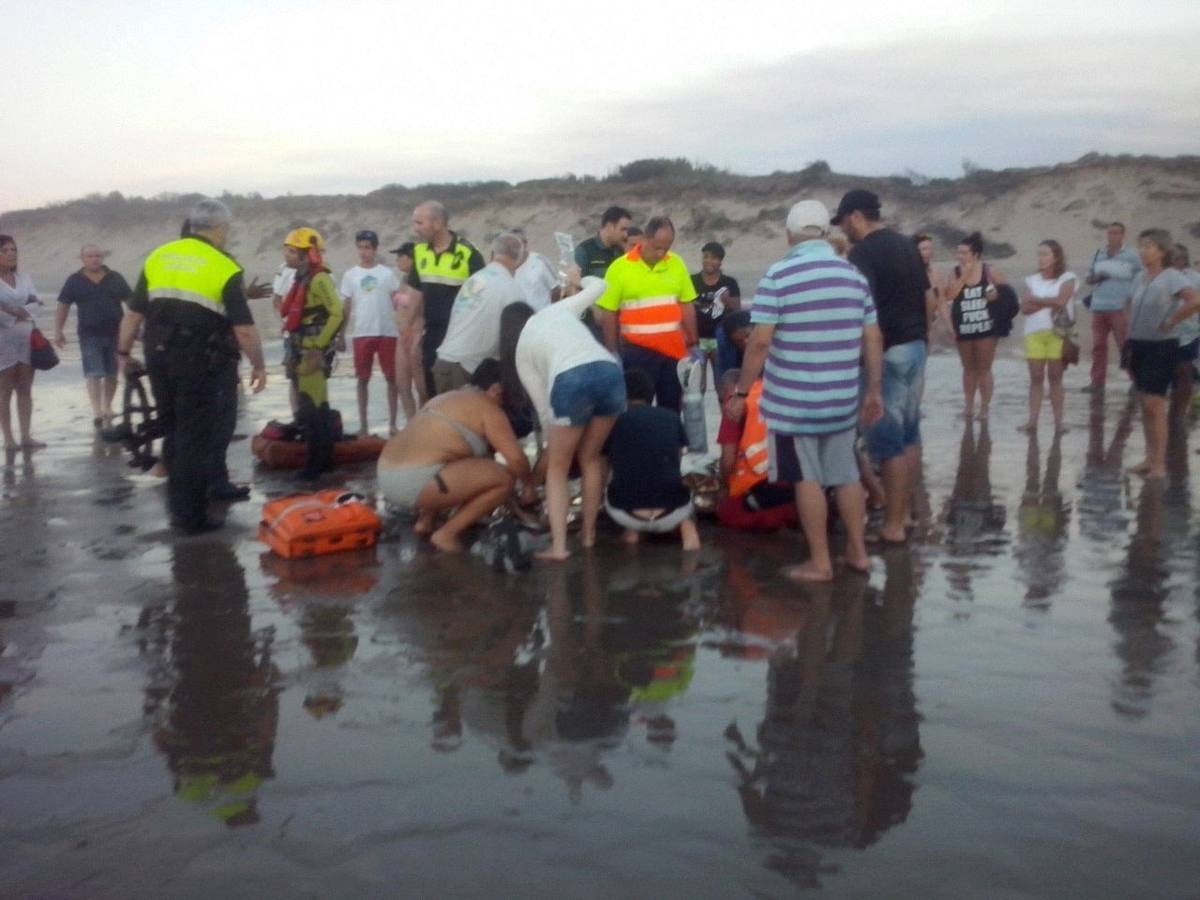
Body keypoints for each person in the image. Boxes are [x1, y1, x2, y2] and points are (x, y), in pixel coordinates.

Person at [729, 200, 883, 581]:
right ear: (826, 233)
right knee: (846, 475)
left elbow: (760, 342)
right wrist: (874, 390)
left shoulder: (779, 276)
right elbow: (873, 336)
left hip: (794, 403)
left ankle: (820, 562)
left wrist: (741, 392)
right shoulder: (853, 275)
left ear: (789, 234)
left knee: (808, 478)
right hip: (842, 398)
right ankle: (858, 553)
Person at [116, 199, 268, 534]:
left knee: (172, 428)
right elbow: (243, 329)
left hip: (158, 353)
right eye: (226, 230)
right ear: (219, 229)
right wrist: (259, 365)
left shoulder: (159, 256)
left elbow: (133, 314)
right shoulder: (223, 266)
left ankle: (178, 505)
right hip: (197, 360)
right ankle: (191, 516)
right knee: (195, 436)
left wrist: (123, 353)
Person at [833, 189, 933, 545]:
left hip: (888, 350)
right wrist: (922, 337)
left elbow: (863, 309)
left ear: (856, 216)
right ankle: (903, 514)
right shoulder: (907, 244)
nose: (844, 230)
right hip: (916, 345)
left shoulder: (863, 253)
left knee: (886, 439)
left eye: (844, 223)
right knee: (909, 434)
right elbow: (928, 298)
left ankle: (892, 526)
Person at [506, 275, 625, 560]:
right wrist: (578, 277)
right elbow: (600, 287)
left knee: (558, 468)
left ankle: (559, 547)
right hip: (609, 371)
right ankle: (588, 537)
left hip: (571, 378)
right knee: (591, 458)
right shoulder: (559, 309)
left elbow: (544, 408)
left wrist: (552, 445)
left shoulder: (522, 349)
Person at [377, 359, 535, 552]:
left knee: (450, 458)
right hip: (416, 481)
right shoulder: (488, 408)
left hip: (386, 475)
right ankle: (446, 534)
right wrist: (528, 486)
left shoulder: (446, 398)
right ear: (496, 390)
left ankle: (425, 521)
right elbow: (516, 458)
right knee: (504, 479)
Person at [596, 216, 699, 411]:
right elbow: (608, 313)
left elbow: (686, 305)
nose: (661, 253)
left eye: (666, 248)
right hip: (637, 352)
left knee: (671, 410)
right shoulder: (619, 268)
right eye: (657, 247)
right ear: (645, 239)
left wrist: (694, 344)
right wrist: (612, 353)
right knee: (637, 408)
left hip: (674, 353)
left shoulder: (677, 264)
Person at [1126, 229, 1200, 480]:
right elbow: (1131, 306)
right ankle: (1149, 457)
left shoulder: (1171, 277)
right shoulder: (1139, 277)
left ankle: (1160, 464)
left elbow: (1194, 301)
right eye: (1141, 245)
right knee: (1144, 403)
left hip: (1162, 345)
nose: (1143, 250)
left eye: (1149, 246)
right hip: (1138, 344)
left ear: (1162, 251)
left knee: (1155, 403)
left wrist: (1172, 320)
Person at [604, 369, 700, 550]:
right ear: (652, 394)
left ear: (622, 394)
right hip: (673, 513)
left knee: (619, 480)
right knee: (684, 491)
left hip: (624, 512)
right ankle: (687, 529)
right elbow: (676, 461)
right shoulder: (671, 417)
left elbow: (606, 465)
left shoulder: (614, 421)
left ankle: (632, 532)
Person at [279, 228, 345, 481]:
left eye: (292, 251)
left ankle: (316, 464)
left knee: (313, 407)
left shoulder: (319, 279)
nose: (287, 254)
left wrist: (319, 346)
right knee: (312, 405)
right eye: (287, 249)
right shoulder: (301, 277)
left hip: (311, 350)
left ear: (309, 254)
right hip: (300, 347)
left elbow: (337, 313)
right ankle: (322, 460)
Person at [407, 202, 485, 397]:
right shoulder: (419, 252)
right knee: (431, 392)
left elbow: (484, 299)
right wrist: (409, 331)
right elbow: (414, 296)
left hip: (462, 336)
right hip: (432, 335)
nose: (415, 228)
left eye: (419, 223)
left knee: (460, 395)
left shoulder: (468, 254)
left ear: (438, 223)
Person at [433, 233, 527, 394]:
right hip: (469, 369)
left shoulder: (474, 279)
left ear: (492, 253)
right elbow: (513, 339)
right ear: (520, 260)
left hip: (444, 362)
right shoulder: (512, 289)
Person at [53, 245, 131, 429]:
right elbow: (63, 306)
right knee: (94, 373)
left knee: (112, 372)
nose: (94, 259)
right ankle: (97, 411)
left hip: (116, 333)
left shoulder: (115, 277)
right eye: (90, 256)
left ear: (103, 257)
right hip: (89, 334)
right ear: (82, 258)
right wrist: (58, 330)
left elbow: (132, 302)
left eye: (98, 255)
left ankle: (108, 406)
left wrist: (138, 327)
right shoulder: (74, 280)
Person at [715, 369, 797, 531]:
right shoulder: (780, 394)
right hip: (799, 483)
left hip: (764, 487)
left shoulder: (734, 407)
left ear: (727, 391)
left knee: (726, 511)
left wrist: (723, 486)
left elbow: (728, 461)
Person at [340, 229, 401, 436]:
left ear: (375, 249)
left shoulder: (387, 274)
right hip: (361, 333)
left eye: (367, 247)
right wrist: (341, 334)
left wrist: (406, 328)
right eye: (360, 247)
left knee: (392, 378)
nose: (363, 252)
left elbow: (398, 303)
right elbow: (347, 305)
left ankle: (393, 423)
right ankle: (364, 425)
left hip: (387, 332)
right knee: (362, 379)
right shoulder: (351, 275)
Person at [944, 231, 1008, 419]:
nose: (960, 256)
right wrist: (963, 278)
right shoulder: (955, 272)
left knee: (985, 368)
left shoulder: (990, 271)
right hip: (963, 326)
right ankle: (969, 406)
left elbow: (1007, 295)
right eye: (958, 253)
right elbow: (949, 296)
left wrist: (997, 295)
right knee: (968, 369)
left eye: (964, 253)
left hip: (986, 327)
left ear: (976, 254)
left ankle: (985, 408)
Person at [1019, 240, 1077, 434]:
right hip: (1034, 332)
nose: (1041, 258)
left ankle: (1059, 422)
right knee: (1036, 377)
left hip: (1057, 332)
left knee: (1055, 377)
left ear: (1056, 256)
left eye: (1045, 254)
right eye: (1039, 254)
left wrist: (1036, 300)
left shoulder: (1068, 278)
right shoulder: (1031, 279)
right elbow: (1025, 309)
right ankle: (1032, 421)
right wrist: (1048, 303)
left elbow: (1062, 301)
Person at [1084, 222, 1142, 393]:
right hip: (1099, 305)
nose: (1112, 236)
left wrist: (1131, 299)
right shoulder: (1099, 254)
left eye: (1116, 233)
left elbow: (1140, 278)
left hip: (1120, 306)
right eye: (1110, 233)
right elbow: (1088, 278)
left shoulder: (1132, 256)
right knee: (1098, 346)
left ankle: (1136, 380)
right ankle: (1097, 382)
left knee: (1124, 345)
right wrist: (1097, 277)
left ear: (1123, 235)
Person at [0, 235, 43, 451]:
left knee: (25, 388)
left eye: (13, 250)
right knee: (4, 390)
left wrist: (15, 311)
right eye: (5, 250)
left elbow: (36, 302)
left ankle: (26, 435)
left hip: (26, 338)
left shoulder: (24, 277)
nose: (11, 254)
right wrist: (13, 314)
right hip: (2, 341)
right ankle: (8, 438)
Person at [690, 241, 741, 388]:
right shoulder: (692, 281)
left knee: (722, 384)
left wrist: (726, 300)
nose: (709, 261)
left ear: (720, 261)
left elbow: (737, 310)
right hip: (697, 340)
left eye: (713, 258)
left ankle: (725, 410)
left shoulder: (730, 282)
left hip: (721, 341)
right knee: (696, 386)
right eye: (705, 257)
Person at [389, 241, 425, 420]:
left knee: (421, 386)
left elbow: (419, 307)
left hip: (416, 332)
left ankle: (425, 425)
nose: (398, 260)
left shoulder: (422, 280)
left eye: (401, 256)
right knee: (402, 384)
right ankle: (411, 422)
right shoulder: (404, 279)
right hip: (402, 335)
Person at [1169, 244, 1199, 425]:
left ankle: (1181, 411)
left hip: (1189, 333)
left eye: (1176, 258)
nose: (1173, 262)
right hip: (1166, 334)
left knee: (1185, 372)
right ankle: (1174, 409)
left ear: (1183, 260)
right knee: (1171, 374)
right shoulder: (1163, 277)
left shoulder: (1195, 278)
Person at [574, 206, 632, 280]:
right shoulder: (585, 250)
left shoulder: (624, 250)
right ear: (609, 227)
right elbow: (574, 284)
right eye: (623, 229)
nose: (626, 234)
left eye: (627, 230)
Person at [913, 233, 950, 346]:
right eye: (923, 249)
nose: (928, 252)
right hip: (910, 324)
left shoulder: (935, 273)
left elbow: (941, 301)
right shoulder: (907, 271)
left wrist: (950, 327)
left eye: (930, 249)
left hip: (928, 324)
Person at [512, 228, 560, 312]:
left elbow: (555, 289)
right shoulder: (508, 268)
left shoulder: (539, 261)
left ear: (525, 243)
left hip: (546, 314)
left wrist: (552, 312)